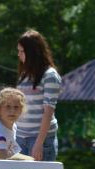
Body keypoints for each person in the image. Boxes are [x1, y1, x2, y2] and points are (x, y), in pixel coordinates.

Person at [15, 29, 61, 161]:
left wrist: (39, 144)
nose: (19, 55)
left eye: (22, 51)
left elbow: (48, 112)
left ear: (32, 52)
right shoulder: (24, 75)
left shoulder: (50, 75)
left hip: (40, 140)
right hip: (20, 138)